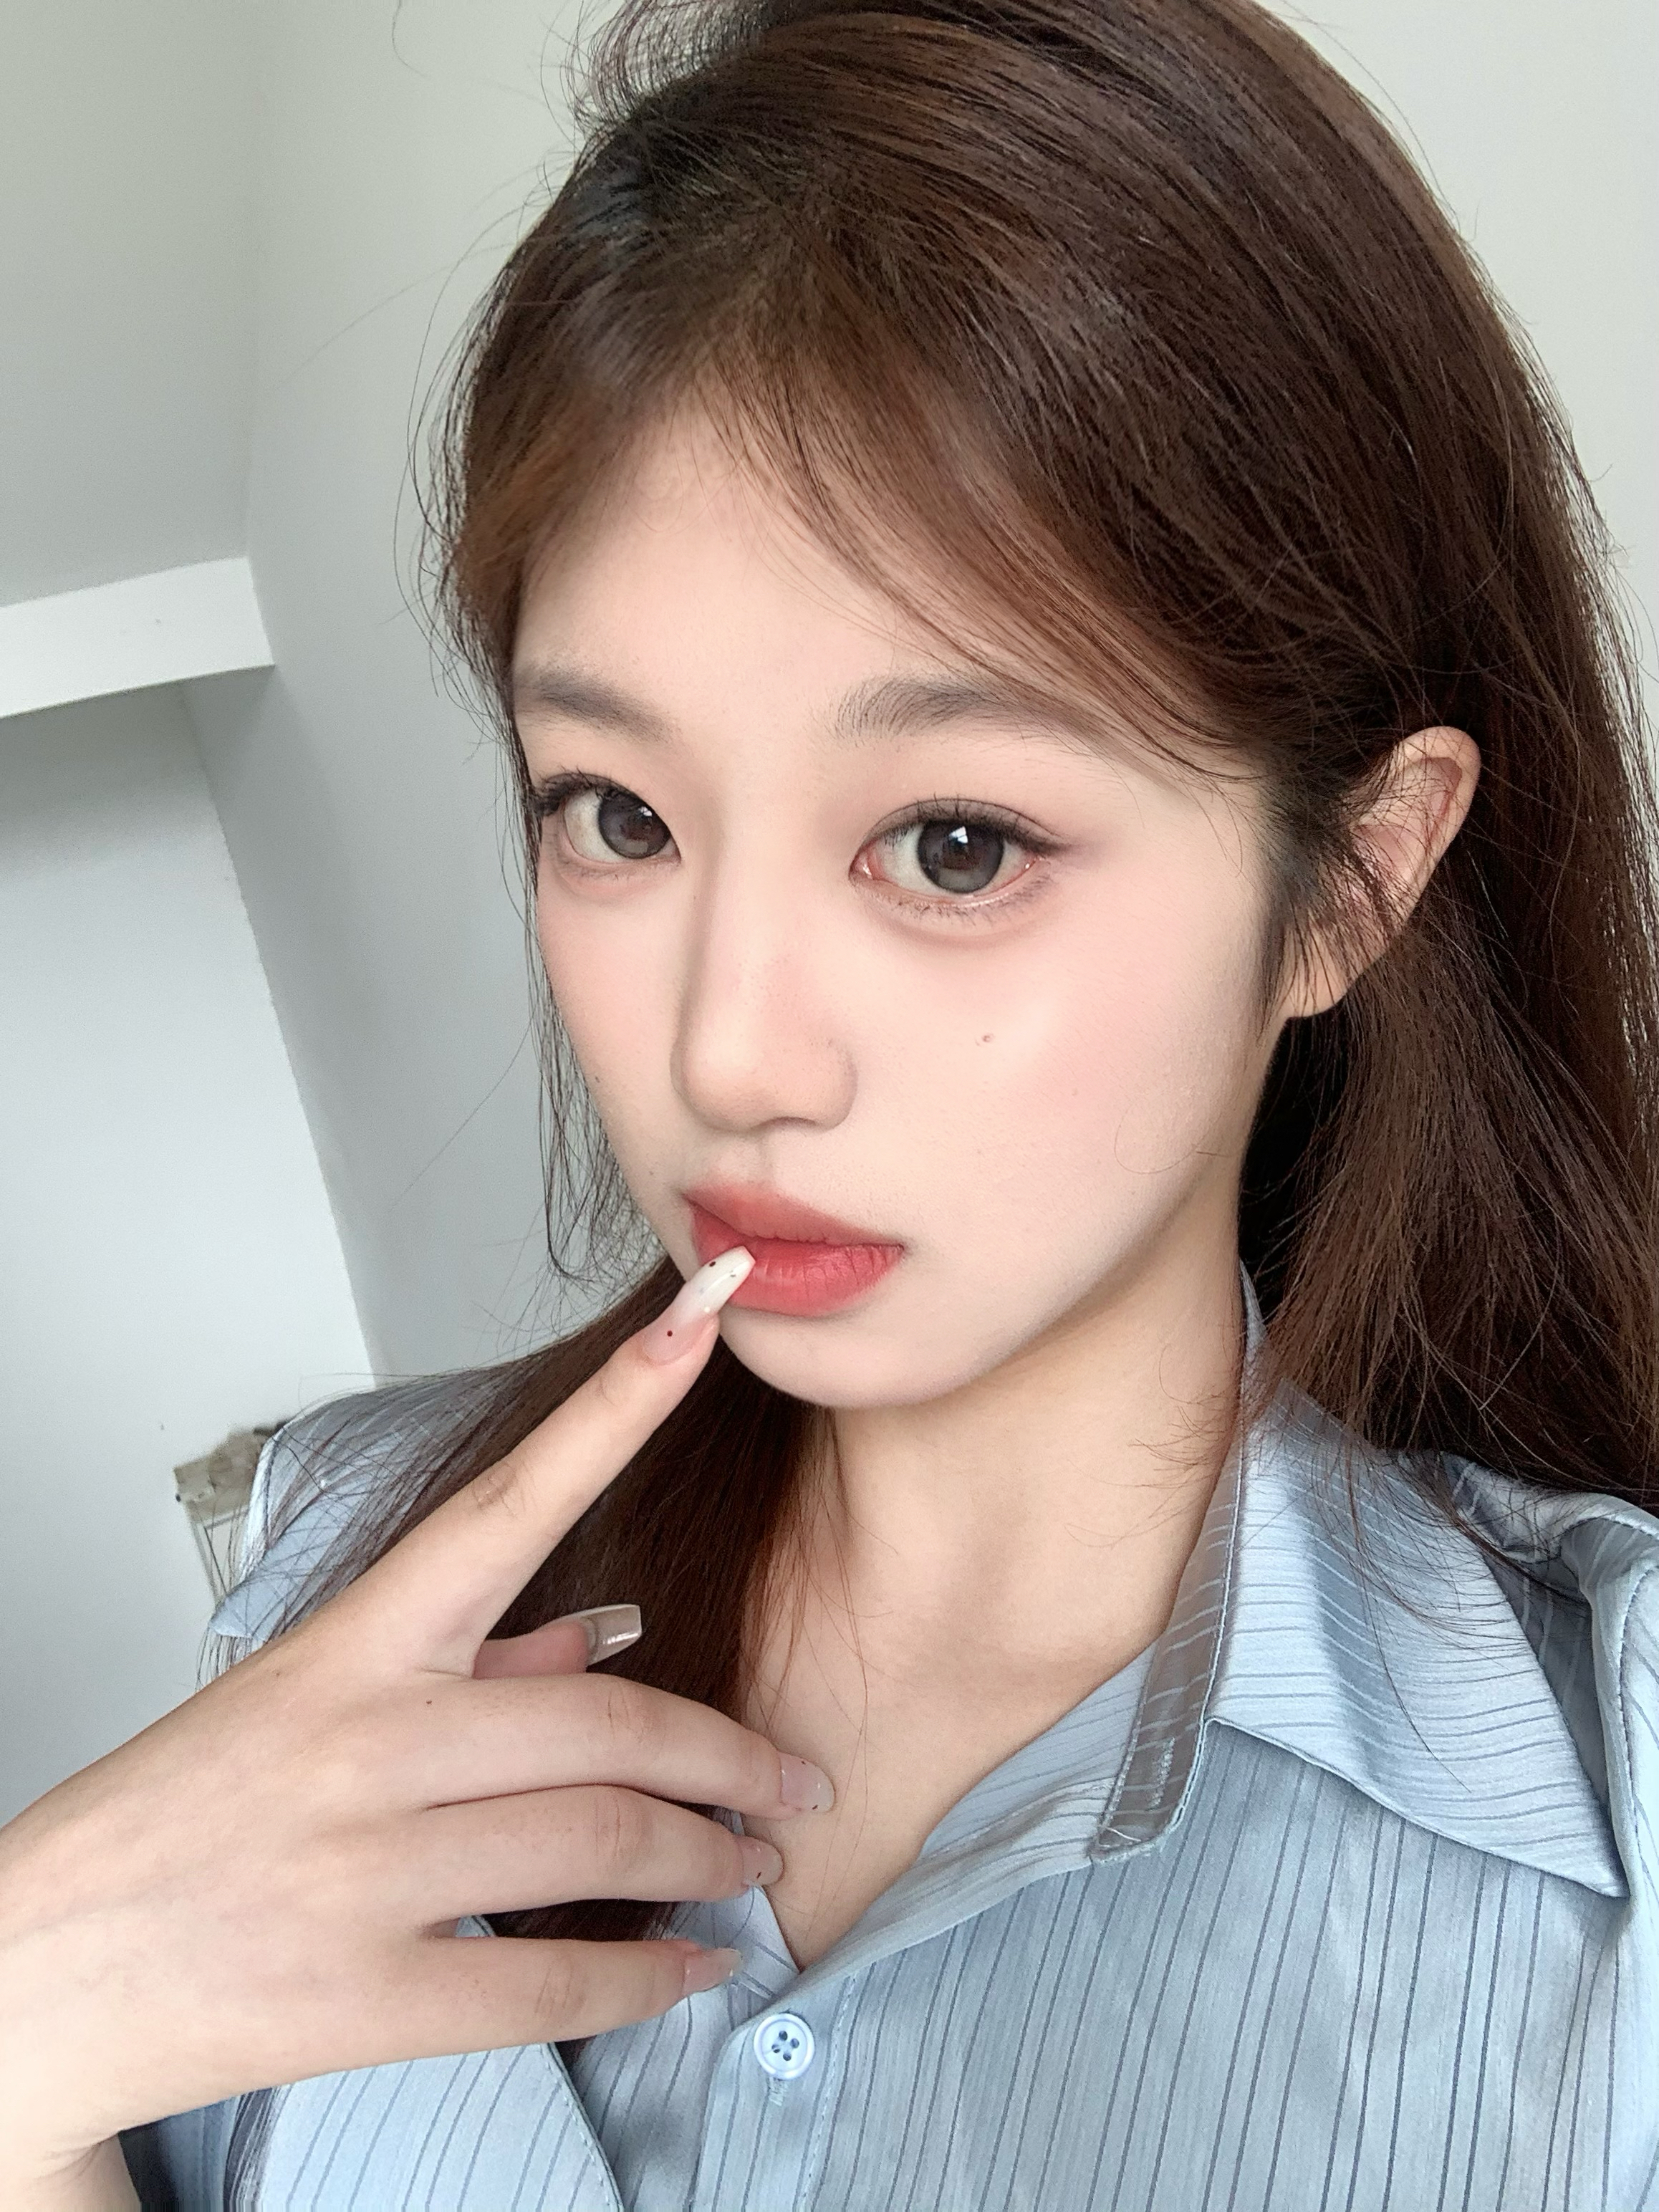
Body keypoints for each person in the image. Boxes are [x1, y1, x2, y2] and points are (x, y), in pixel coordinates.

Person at [3, 0, 1656, 2202]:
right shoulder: (335, 1555)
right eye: (614, 815)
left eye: (951, 846)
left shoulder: (1609, 1805)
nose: (723, 1055)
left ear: (1348, 881)